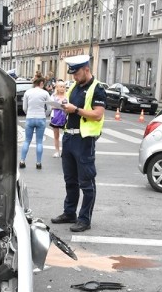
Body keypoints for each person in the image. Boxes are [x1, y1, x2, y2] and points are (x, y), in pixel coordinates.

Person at [51, 55, 106, 232]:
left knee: (86, 182)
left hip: (84, 140)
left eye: (77, 73)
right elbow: (70, 106)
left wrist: (76, 110)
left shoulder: (97, 89)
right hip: (69, 137)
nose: (74, 77)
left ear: (86, 70)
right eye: (72, 74)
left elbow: (98, 114)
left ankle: (84, 219)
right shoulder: (74, 86)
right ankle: (69, 213)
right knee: (70, 180)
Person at [20, 75, 51, 170]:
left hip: (30, 117)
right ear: (41, 83)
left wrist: (28, 113)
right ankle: (38, 163)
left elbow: (24, 108)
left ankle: (22, 161)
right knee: (39, 142)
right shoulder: (45, 93)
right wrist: (44, 114)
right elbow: (49, 108)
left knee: (27, 140)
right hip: (41, 118)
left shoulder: (27, 92)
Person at [49, 80, 68, 157]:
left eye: (63, 87)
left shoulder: (67, 96)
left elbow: (69, 106)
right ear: (57, 87)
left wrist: (60, 106)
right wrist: (61, 106)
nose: (62, 88)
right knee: (56, 135)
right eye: (61, 86)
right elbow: (51, 106)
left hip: (65, 118)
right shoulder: (53, 96)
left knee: (66, 136)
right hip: (55, 118)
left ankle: (65, 151)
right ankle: (57, 151)